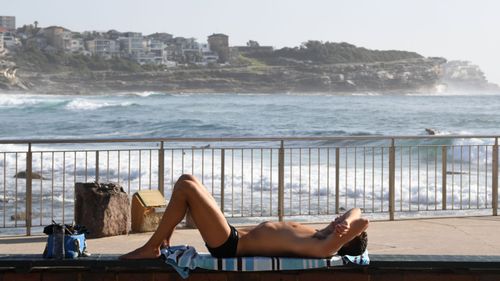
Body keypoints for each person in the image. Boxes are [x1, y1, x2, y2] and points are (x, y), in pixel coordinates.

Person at [120, 174, 369, 259]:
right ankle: (163, 241)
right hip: (232, 233)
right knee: (187, 179)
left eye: (342, 226)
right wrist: (346, 221)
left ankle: (152, 247)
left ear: (345, 240)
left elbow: (363, 221)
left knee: (187, 189)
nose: (338, 219)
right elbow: (355, 212)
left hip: (230, 245)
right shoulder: (321, 234)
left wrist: (348, 226)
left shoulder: (324, 247)